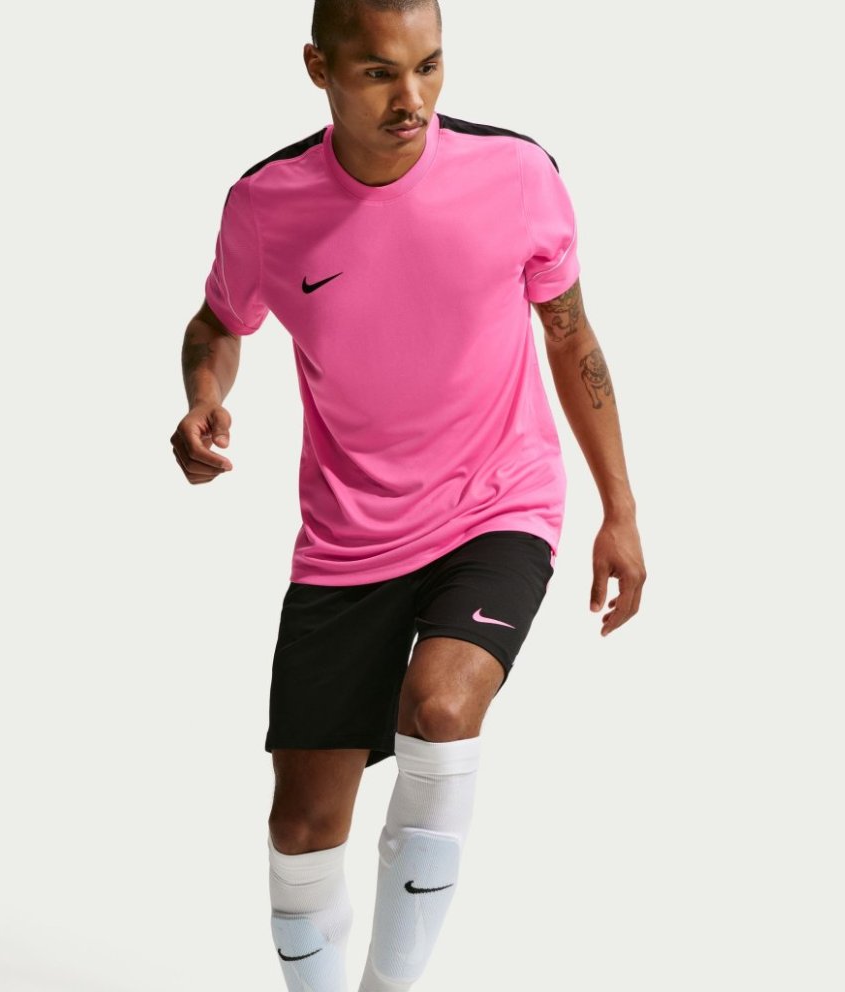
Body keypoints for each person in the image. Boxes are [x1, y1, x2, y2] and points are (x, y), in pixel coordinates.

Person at [170, 1, 646, 989]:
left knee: (439, 704)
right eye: (380, 72)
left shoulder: (516, 176)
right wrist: (204, 396)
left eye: (429, 66)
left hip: (497, 503)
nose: (413, 99)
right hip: (348, 539)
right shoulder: (267, 204)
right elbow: (217, 321)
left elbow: (569, 334)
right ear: (318, 67)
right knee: (302, 827)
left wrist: (621, 509)